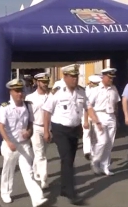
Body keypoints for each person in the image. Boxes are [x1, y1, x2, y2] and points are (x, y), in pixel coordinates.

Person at [42, 65, 100, 205]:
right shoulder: (57, 91)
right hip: (60, 129)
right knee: (67, 159)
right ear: (65, 77)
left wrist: (97, 121)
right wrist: (46, 131)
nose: (75, 79)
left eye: (76, 76)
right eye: (72, 76)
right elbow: (46, 111)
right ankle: (71, 193)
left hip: (74, 129)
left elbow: (88, 107)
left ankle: (63, 188)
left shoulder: (81, 91)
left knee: (69, 160)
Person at [0, 78, 48, 207]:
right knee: (8, 170)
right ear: (11, 92)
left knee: (28, 171)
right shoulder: (5, 107)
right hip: (11, 144)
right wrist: (8, 141)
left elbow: (30, 122)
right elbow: (0, 125)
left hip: (24, 144)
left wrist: (29, 132)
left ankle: (37, 198)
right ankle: (5, 192)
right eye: (17, 91)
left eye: (21, 91)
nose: (20, 94)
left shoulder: (27, 105)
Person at [87, 68, 121, 176]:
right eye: (109, 77)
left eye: (112, 78)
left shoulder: (114, 88)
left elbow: (116, 103)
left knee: (109, 143)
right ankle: (95, 160)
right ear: (104, 77)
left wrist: (116, 117)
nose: (111, 80)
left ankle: (105, 166)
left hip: (111, 116)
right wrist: (95, 120)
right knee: (102, 141)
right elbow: (89, 105)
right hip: (100, 115)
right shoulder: (96, 89)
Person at [25, 72, 50, 189]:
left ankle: (36, 171)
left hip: (48, 128)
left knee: (42, 153)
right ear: (37, 82)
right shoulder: (30, 98)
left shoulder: (51, 96)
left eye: (47, 82)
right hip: (35, 127)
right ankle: (44, 179)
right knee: (40, 154)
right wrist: (27, 129)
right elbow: (27, 115)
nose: (46, 84)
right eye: (43, 82)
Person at [82, 74, 102, 161]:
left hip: (95, 114)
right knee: (86, 132)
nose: (96, 85)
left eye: (97, 84)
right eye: (95, 84)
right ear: (90, 83)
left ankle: (93, 152)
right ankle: (87, 151)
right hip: (85, 113)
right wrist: (85, 120)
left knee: (94, 134)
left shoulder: (98, 90)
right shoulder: (85, 90)